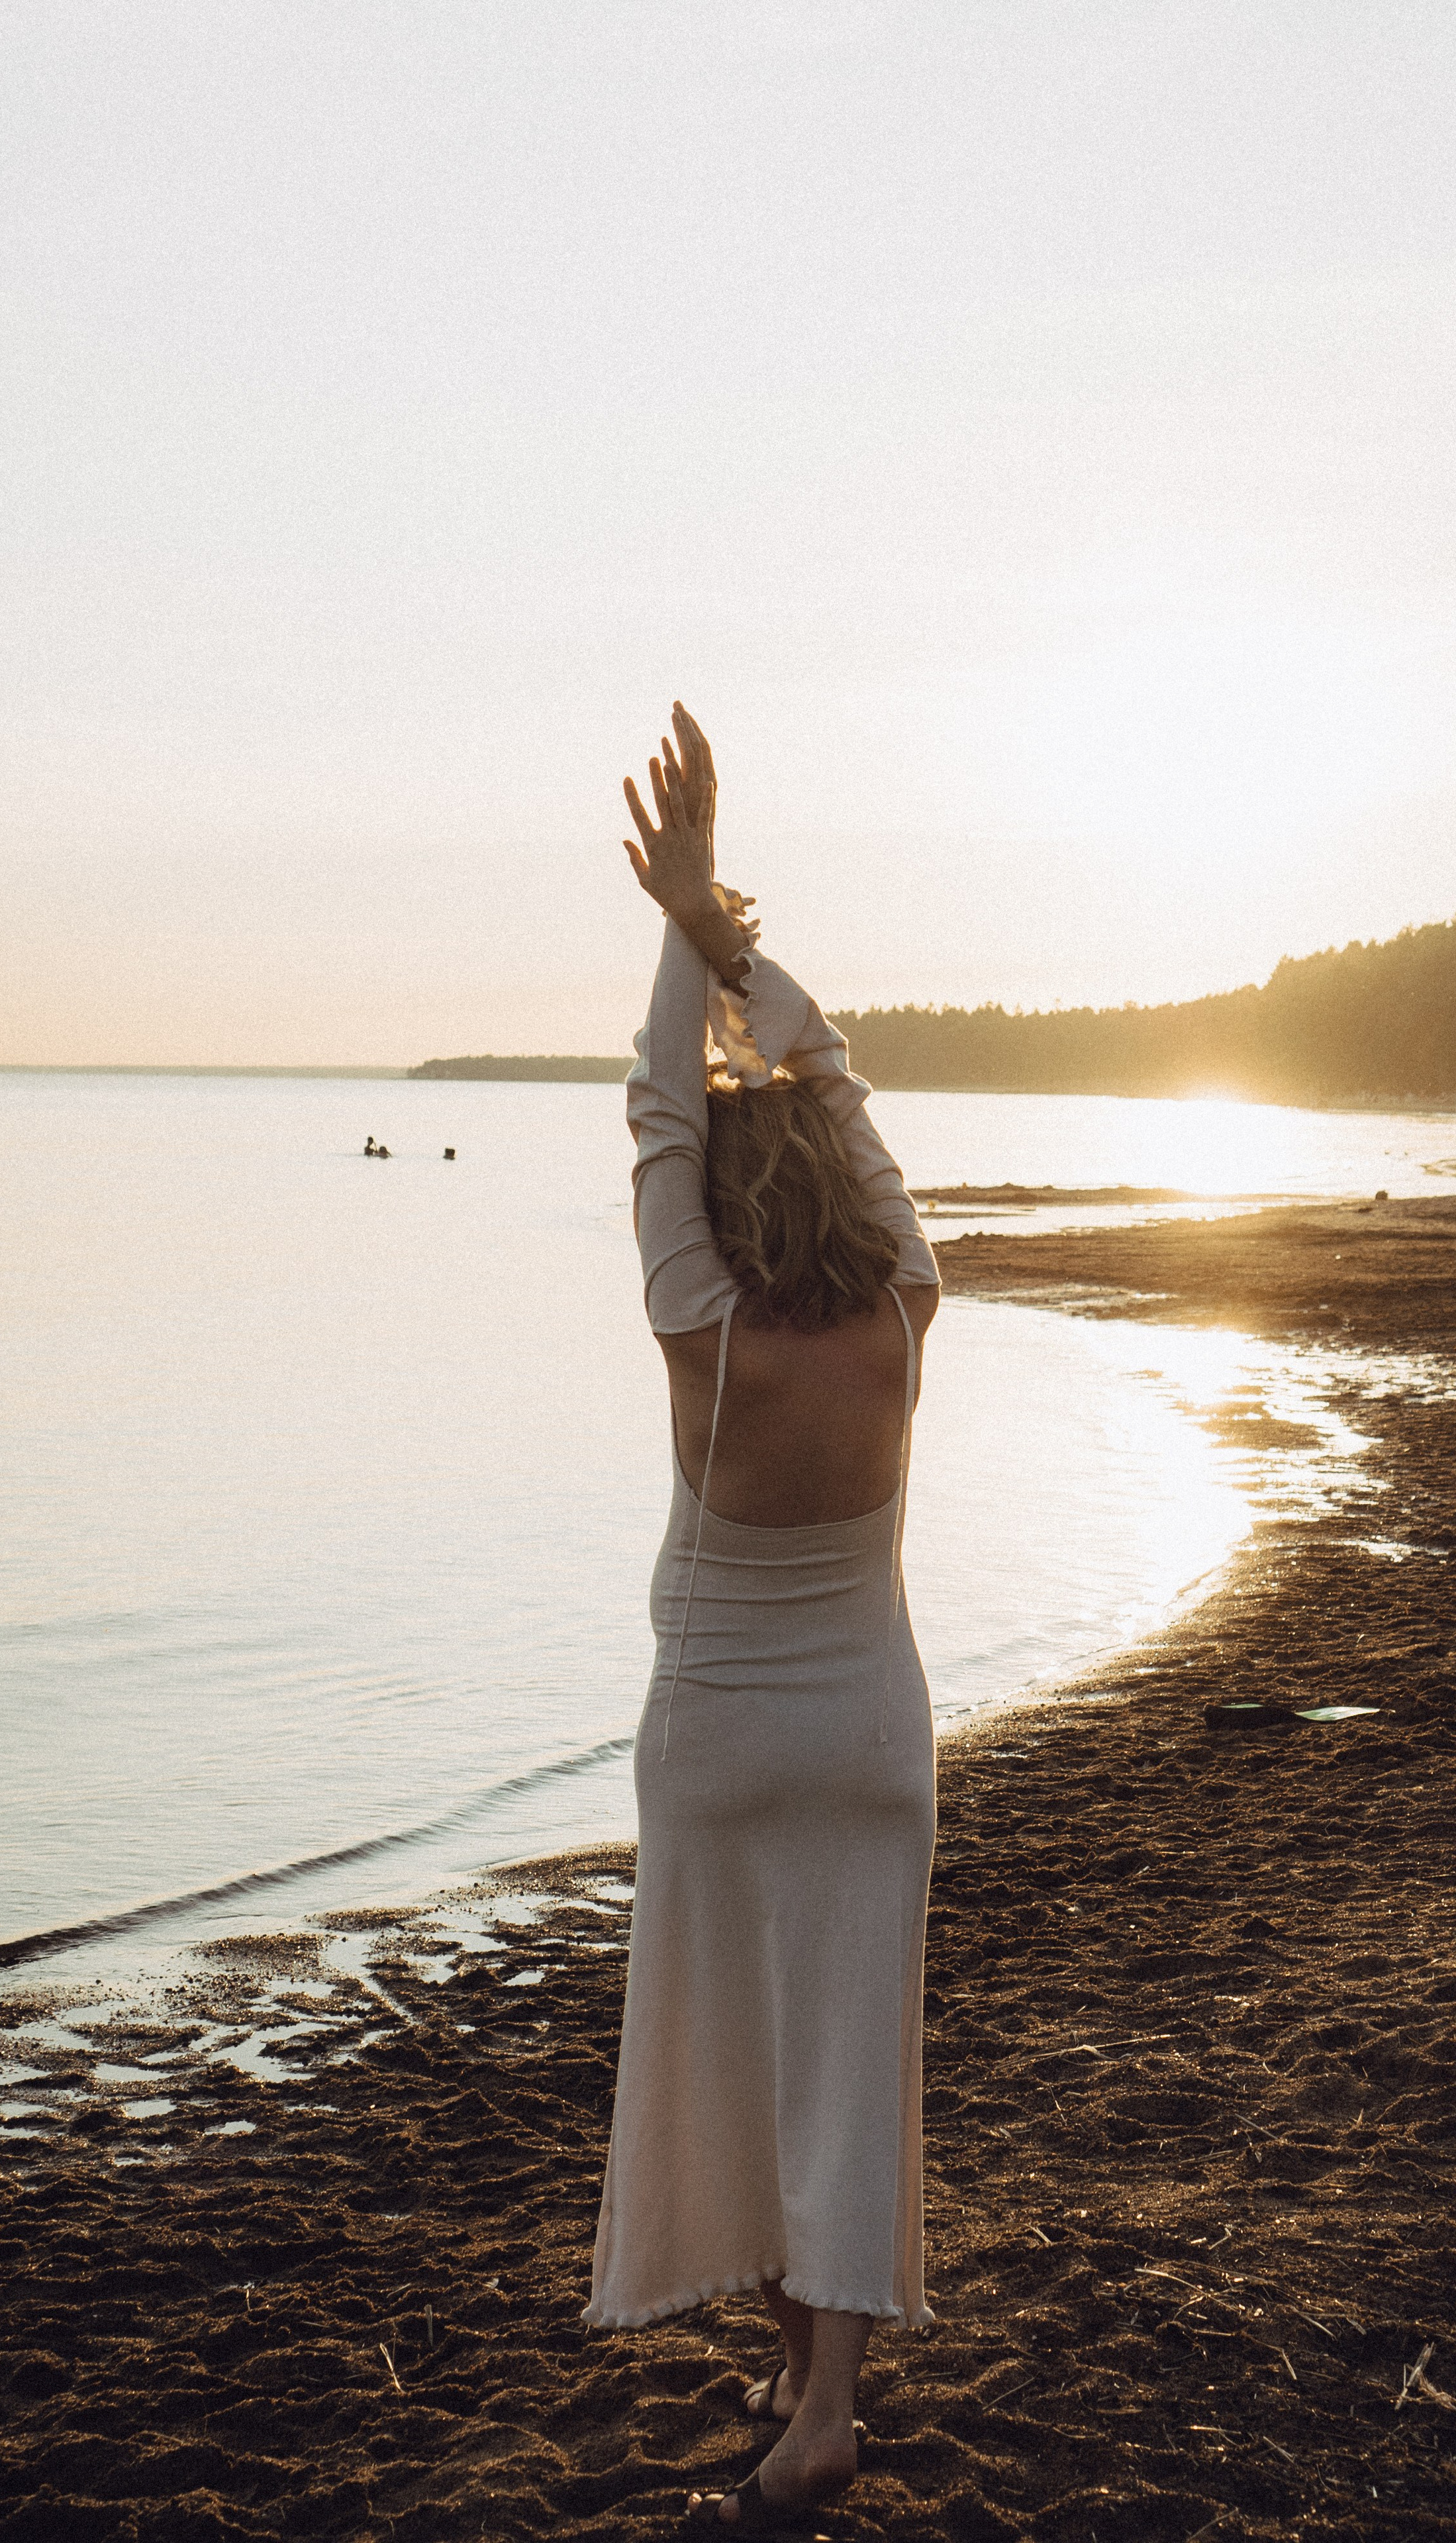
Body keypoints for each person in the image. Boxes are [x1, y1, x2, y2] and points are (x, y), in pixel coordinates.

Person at [584, 704, 942, 2532]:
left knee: (745, 2050)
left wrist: (675, 919)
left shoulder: (697, 1326)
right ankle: (821, 2399)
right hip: (870, 1740)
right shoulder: (908, 1305)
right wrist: (733, 942)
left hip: (720, 1746)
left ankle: (806, 2402)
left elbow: (658, 1105)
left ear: (720, 1198)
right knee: (849, 2058)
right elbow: (848, 1106)